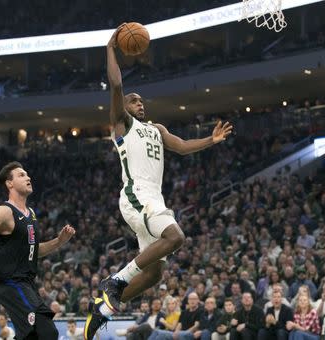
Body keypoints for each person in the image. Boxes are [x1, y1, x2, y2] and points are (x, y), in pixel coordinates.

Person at [84, 24, 233, 339]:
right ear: (124, 108)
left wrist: (211, 140)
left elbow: (180, 147)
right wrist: (110, 49)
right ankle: (114, 281)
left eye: (141, 102)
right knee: (176, 236)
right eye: (134, 101)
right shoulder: (122, 125)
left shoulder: (157, 129)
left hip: (154, 199)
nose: (140, 104)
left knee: (154, 273)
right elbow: (115, 85)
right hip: (136, 194)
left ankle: (103, 309)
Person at [0, 161, 75, 340]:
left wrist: (59, 241)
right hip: (9, 282)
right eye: (21, 175)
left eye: (27, 174)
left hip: (26, 283)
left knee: (31, 335)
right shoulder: (4, 212)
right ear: (9, 183)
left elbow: (33, 250)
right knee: (47, 332)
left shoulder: (30, 212)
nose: (28, 177)